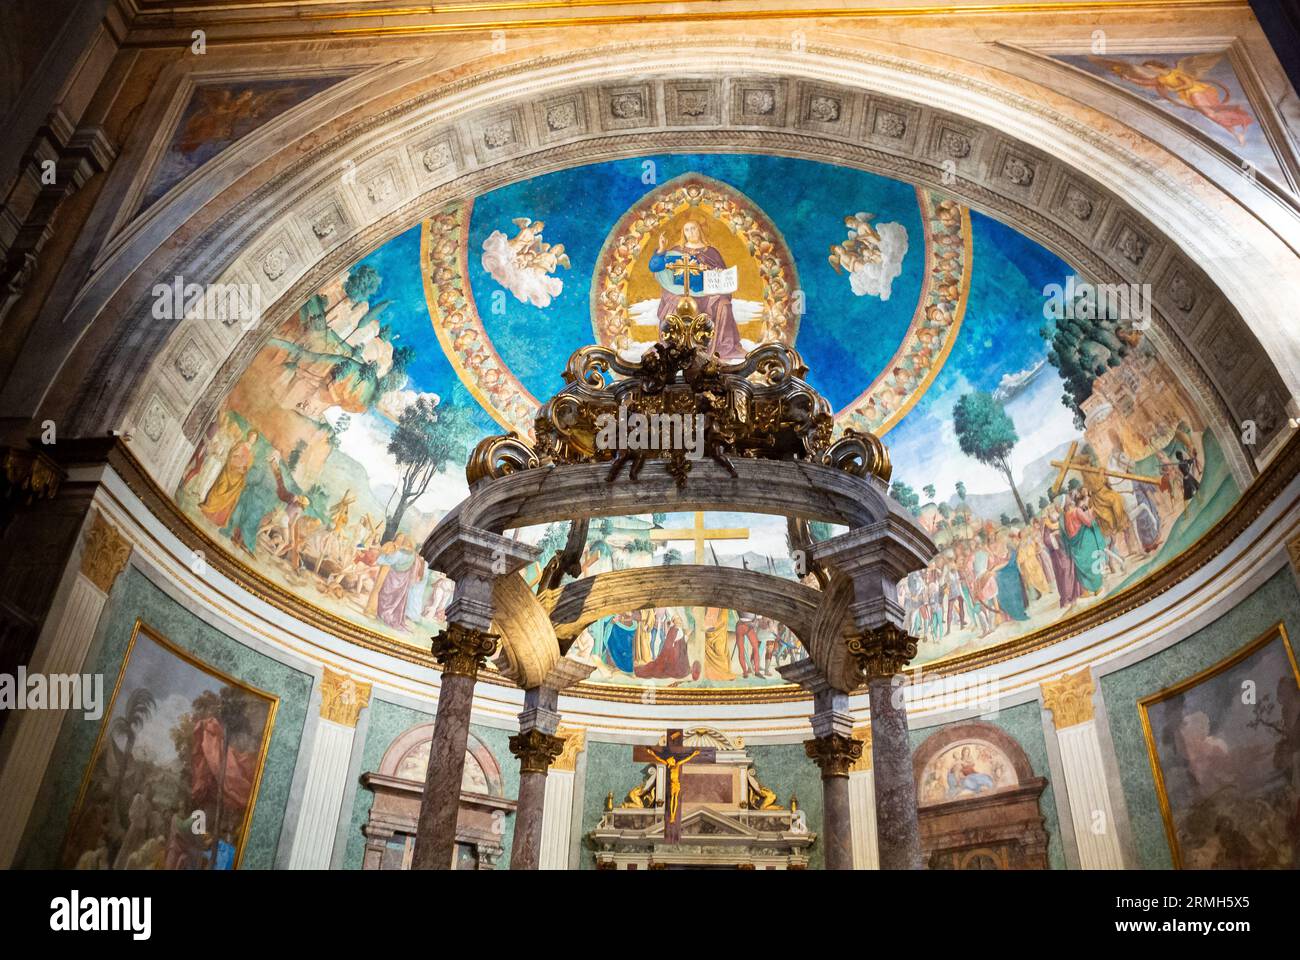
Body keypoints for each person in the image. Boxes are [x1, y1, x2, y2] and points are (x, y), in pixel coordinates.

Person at [649, 220, 744, 359]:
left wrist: (717, 271)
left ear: (699, 230)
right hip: (681, 291)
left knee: (724, 304)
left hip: (706, 292)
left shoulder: (711, 252)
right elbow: (655, 266)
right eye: (687, 229)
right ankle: (675, 348)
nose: (691, 232)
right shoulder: (677, 251)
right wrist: (662, 249)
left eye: (693, 228)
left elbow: (722, 275)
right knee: (676, 303)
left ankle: (723, 347)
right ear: (684, 233)